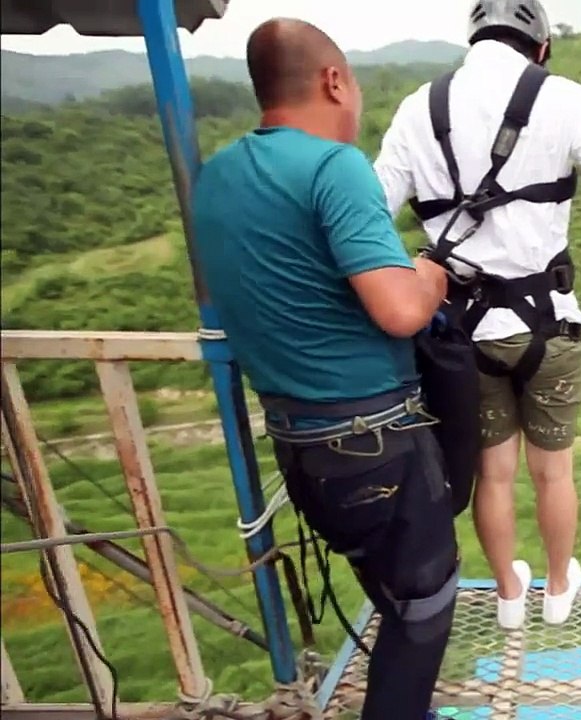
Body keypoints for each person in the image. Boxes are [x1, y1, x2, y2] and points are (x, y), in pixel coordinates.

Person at [373, 0, 581, 630]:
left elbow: (368, 214)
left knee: (493, 474)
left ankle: (508, 595)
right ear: (543, 45)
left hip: (461, 334)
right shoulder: (567, 101)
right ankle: (559, 589)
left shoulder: (419, 108)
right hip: (547, 324)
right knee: (552, 471)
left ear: (473, 37)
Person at [191, 18, 457, 720]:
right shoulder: (334, 167)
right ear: (334, 80)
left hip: (300, 447)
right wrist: (427, 276)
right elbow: (400, 311)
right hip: (376, 442)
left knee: (393, 593)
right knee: (425, 611)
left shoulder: (215, 177)